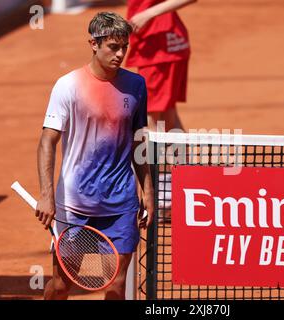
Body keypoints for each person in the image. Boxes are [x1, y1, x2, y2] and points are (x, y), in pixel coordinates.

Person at [35, 12, 154, 300]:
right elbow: (47, 142)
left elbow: (139, 141)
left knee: (115, 285)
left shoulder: (136, 85)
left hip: (121, 204)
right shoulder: (68, 85)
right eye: (113, 47)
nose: (120, 54)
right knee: (63, 285)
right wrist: (47, 194)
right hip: (75, 204)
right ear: (93, 43)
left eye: (124, 46)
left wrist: (148, 191)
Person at [126, 0, 196, 214]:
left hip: (160, 49)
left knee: (150, 121)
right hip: (163, 46)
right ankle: (188, 185)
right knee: (167, 116)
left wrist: (148, 14)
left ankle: (155, 194)